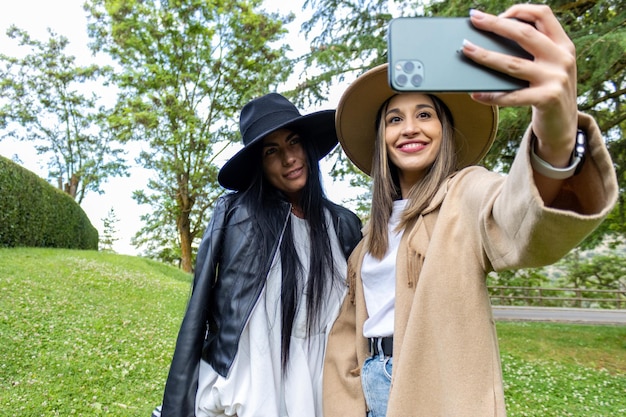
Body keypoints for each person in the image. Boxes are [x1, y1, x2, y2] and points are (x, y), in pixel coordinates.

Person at [323, 5, 618, 417]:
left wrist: (557, 131)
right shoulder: (370, 234)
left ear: (444, 131)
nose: (409, 127)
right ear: (381, 138)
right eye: (394, 119)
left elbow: (517, 218)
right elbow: (349, 333)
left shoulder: (465, 194)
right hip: (370, 393)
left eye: (424, 114)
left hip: (435, 393)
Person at [154, 93, 362, 417]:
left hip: (327, 390)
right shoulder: (237, 216)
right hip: (254, 392)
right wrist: (176, 407)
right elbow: (198, 313)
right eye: (271, 151)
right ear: (259, 165)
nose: (289, 158)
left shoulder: (343, 224)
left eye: (293, 142)